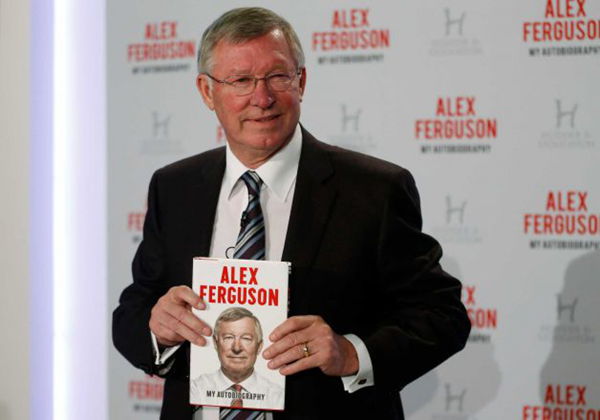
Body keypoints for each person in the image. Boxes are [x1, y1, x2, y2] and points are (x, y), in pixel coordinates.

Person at [113, 7, 471, 420]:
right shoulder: (174, 187)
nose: (261, 98)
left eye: (277, 77)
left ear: (301, 82)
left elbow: (443, 317)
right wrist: (157, 329)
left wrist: (351, 352)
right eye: (241, 80)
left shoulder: (375, 190)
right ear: (207, 92)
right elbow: (132, 312)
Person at [190, 307, 284, 410]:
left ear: (259, 346)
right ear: (215, 343)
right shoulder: (195, 388)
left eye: (246, 338)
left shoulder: (277, 395)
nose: (236, 348)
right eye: (228, 337)